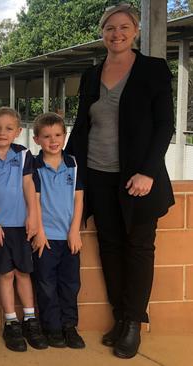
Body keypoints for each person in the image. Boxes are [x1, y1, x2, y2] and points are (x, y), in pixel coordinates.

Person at [65, 4, 175, 359]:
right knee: (110, 247)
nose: (117, 34)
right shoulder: (91, 74)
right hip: (97, 175)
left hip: (138, 179)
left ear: (136, 31)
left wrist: (148, 171)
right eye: (110, 28)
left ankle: (132, 324)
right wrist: (63, 170)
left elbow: (165, 126)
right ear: (103, 33)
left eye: (124, 27)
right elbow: (82, 127)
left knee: (139, 248)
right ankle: (118, 317)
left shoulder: (152, 69)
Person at [0, 107, 48, 352]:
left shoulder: (24, 154)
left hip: (21, 225)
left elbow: (29, 186)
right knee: (5, 274)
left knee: (23, 273)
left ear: (17, 132)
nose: (2, 132)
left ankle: (29, 318)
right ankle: (11, 322)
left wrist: (34, 218)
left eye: (8, 128)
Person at [31, 113, 85, 349]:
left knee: (70, 284)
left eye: (58, 135)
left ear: (65, 136)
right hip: (44, 238)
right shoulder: (34, 166)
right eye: (47, 136)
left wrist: (75, 231)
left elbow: (79, 200)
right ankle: (51, 327)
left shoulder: (73, 164)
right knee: (45, 284)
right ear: (36, 139)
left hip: (68, 238)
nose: (53, 141)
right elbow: (33, 201)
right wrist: (39, 232)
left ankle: (69, 326)